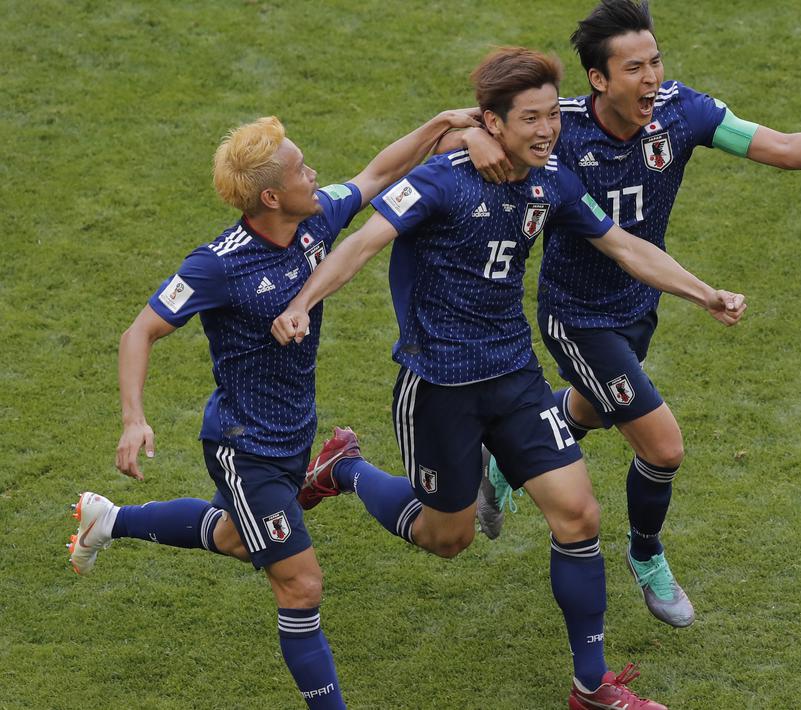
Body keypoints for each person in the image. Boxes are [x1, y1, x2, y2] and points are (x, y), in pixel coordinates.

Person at [272, 47, 745, 709]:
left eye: (552, 115)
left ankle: (591, 686)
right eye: (531, 119)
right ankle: (345, 468)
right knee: (448, 538)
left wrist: (703, 293)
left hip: (515, 378)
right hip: (439, 387)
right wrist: (300, 304)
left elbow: (621, 244)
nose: (548, 130)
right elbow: (359, 245)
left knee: (578, 515)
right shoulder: (440, 181)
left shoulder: (550, 178)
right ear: (493, 123)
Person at [457, 0, 801, 629]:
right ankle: (647, 554)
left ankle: (505, 459)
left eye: (656, 61)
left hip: (639, 306)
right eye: (634, 67)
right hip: (576, 314)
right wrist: (475, 134)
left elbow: (783, 148)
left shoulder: (682, 112)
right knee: (662, 446)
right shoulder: (562, 132)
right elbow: (474, 128)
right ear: (599, 80)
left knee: (590, 406)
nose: (652, 78)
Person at [68, 108, 479, 709]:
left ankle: (108, 520)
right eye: (300, 169)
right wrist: (134, 418)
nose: (314, 173)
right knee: (300, 583)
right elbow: (139, 333)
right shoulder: (216, 265)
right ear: (270, 195)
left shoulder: (314, 222)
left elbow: (377, 174)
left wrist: (438, 123)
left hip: (292, 437)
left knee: (239, 537)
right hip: (244, 447)